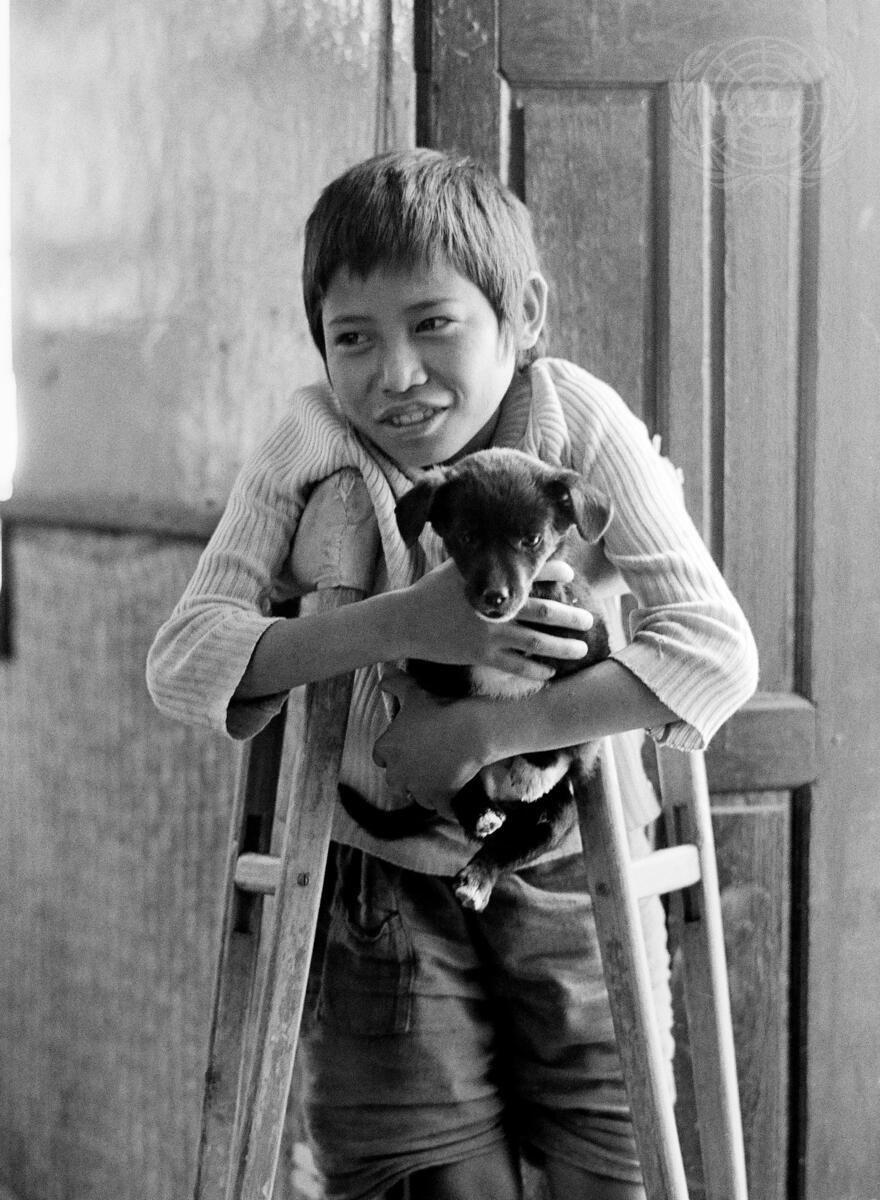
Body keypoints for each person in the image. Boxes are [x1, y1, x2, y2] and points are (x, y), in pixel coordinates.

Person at [147, 148, 758, 1200]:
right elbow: (182, 659)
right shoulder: (310, 438)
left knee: (613, 1165)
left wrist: (480, 732)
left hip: (573, 869)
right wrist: (406, 622)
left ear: (522, 316)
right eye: (353, 337)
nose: (395, 374)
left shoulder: (574, 420)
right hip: (379, 887)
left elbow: (715, 647)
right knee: (430, 1180)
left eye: (433, 323)